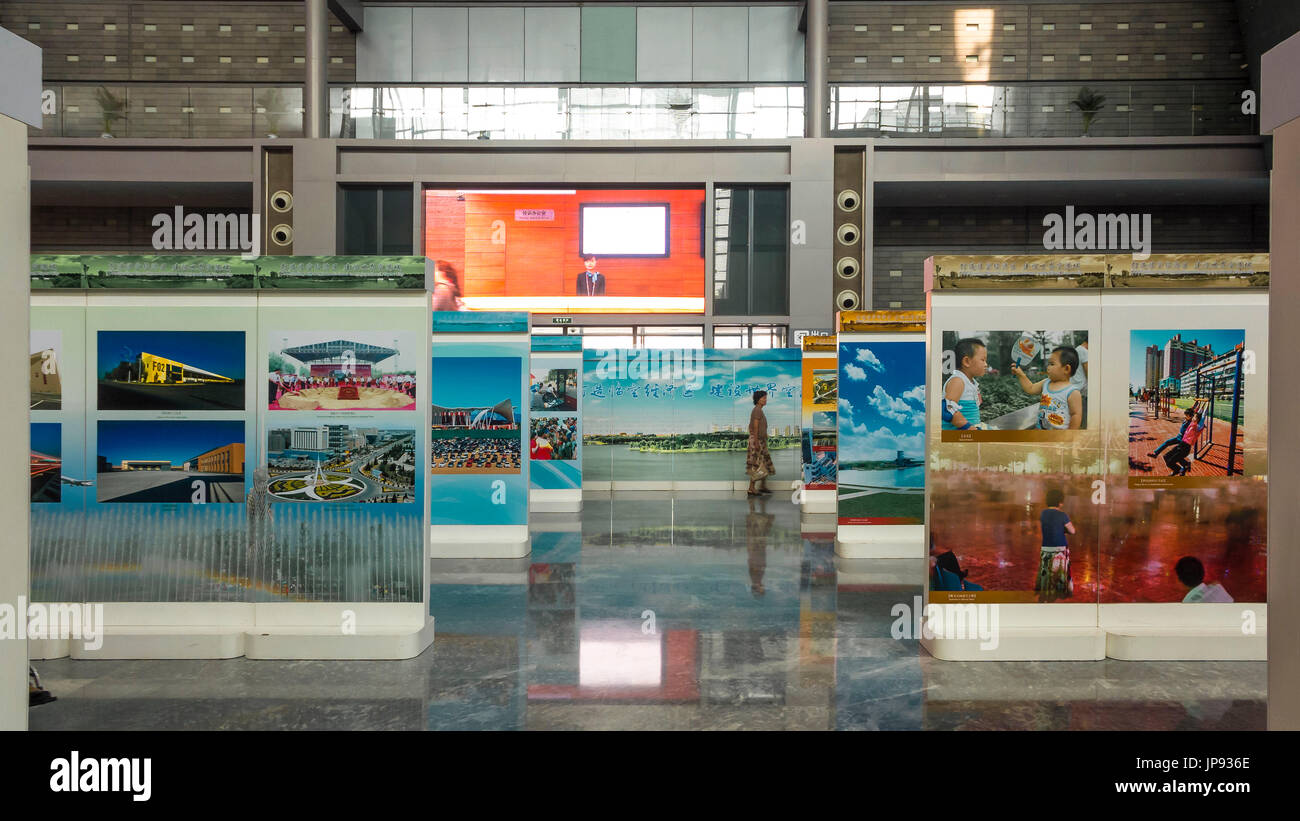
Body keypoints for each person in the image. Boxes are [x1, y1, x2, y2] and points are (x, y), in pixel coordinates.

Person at [1011, 346, 1083, 430]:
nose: (1048, 367)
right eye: (1048, 364)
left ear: (1066, 369)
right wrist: (1021, 375)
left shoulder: (1072, 392)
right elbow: (1030, 388)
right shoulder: (1046, 382)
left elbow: (1076, 415)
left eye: (1052, 364)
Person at [1036, 487, 1075, 600]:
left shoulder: (1043, 513)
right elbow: (1073, 531)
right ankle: (1058, 592)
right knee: (1059, 572)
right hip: (1059, 548)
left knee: (1046, 570)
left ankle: (1046, 591)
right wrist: (1064, 530)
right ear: (1060, 502)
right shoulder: (1063, 515)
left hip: (1046, 548)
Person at [942, 337, 987, 430]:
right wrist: (970, 429)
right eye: (982, 360)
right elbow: (947, 410)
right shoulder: (958, 381)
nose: (986, 364)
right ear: (966, 361)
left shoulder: (970, 382)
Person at [1163, 399, 1208, 476]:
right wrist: (1201, 402)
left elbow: (1203, 415)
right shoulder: (1192, 422)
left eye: (1195, 417)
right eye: (1193, 416)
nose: (1193, 417)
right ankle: (1184, 465)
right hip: (1181, 444)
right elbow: (1196, 411)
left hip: (1185, 448)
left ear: (1198, 419)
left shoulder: (1198, 426)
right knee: (1166, 456)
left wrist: (1208, 403)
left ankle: (1178, 470)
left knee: (1170, 462)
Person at [746, 390, 774, 496]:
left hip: (761, 440)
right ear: (758, 399)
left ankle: (762, 486)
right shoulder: (757, 410)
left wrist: (764, 436)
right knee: (757, 464)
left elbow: (752, 426)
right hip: (757, 441)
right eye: (763, 398)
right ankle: (751, 488)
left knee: (765, 463)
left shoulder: (759, 410)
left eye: (766, 398)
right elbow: (755, 426)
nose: (765, 400)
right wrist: (756, 442)